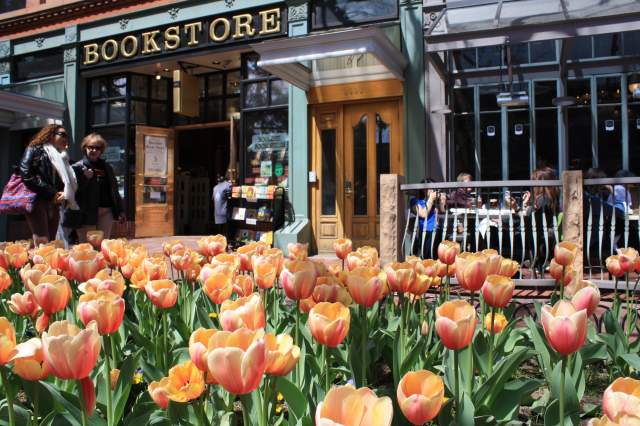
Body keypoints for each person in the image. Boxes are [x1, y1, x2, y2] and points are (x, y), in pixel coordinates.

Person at [19, 124, 78, 246]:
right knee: (42, 239)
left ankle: (47, 265)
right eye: (62, 134)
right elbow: (26, 175)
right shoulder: (34, 149)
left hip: (53, 202)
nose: (66, 138)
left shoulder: (62, 157)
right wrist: (52, 192)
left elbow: (65, 179)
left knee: (50, 240)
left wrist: (63, 192)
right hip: (37, 199)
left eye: (67, 136)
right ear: (50, 135)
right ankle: (40, 265)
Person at [73, 133, 125, 242]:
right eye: (91, 147)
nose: (94, 150)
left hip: (106, 211)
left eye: (97, 148)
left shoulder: (107, 167)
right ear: (85, 148)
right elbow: (73, 192)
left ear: (101, 150)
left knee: (103, 244)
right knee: (88, 246)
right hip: (86, 212)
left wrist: (120, 210)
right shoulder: (77, 167)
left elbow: (114, 190)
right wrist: (85, 179)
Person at [410, 178, 445, 258]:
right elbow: (423, 214)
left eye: (435, 188)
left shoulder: (436, 201)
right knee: (427, 258)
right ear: (424, 189)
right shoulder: (415, 201)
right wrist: (431, 199)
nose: (433, 190)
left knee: (438, 258)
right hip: (425, 232)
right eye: (431, 188)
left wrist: (442, 201)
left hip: (438, 231)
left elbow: (443, 211)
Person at [212, 171, 233, 237]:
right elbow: (230, 197)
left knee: (220, 231)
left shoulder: (215, 187)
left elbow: (213, 198)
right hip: (225, 211)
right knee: (226, 231)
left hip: (217, 212)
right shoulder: (228, 185)